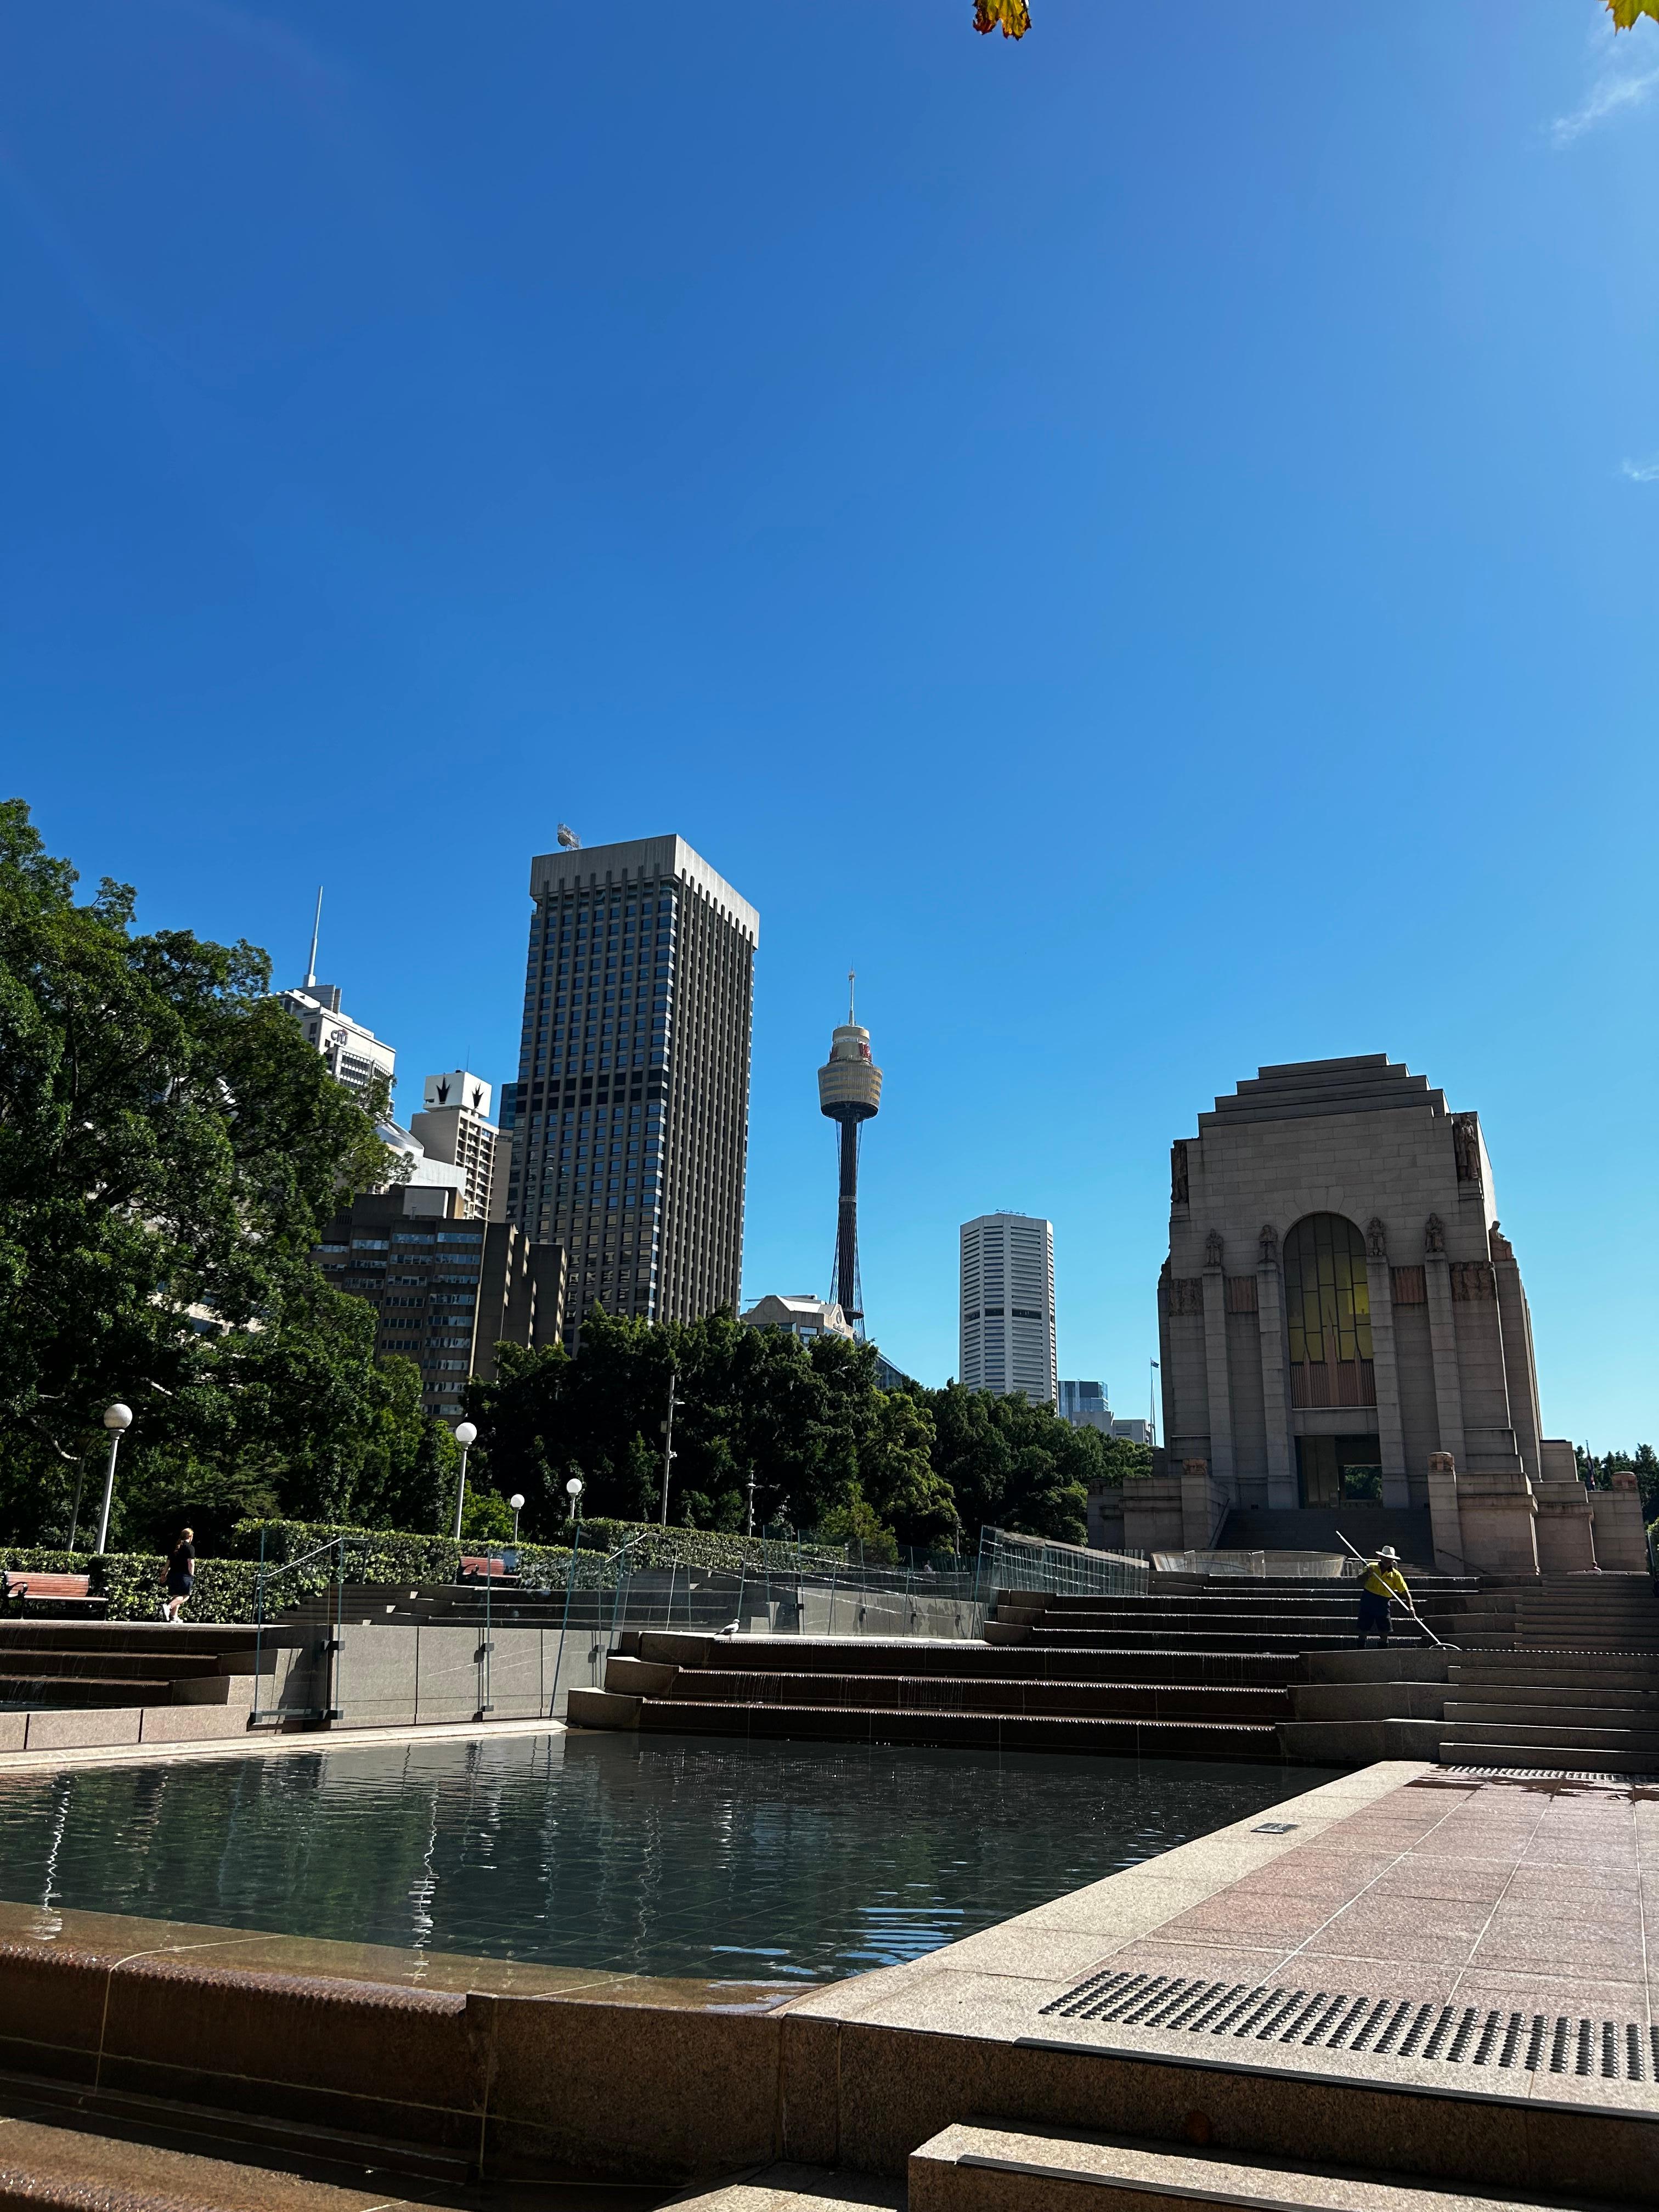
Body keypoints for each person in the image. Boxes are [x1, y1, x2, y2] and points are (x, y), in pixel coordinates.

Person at [1356, 1544, 1410, 1647]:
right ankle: (1361, 1651)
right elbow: (1359, 1580)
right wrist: (1367, 1574)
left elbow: (1405, 1591)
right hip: (1368, 1600)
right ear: (1381, 1557)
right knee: (1364, 1629)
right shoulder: (1371, 1567)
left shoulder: (1395, 1575)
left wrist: (1410, 1605)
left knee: (1385, 1631)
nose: (1388, 1561)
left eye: (1390, 1559)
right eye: (1386, 1558)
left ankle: (1383, 1652)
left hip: (1383, 1603)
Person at [161, 1526, 195, 1623]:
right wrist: (191, 1575)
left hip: (172, 1575)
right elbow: (191, 1563)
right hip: (184, 1576)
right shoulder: (190, 1548)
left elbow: (168, 1562)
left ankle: (173, 1617)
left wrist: (164, 1574)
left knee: (177, 1596)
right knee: (186, 1596)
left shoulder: (176, 1547)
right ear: (191, 1537)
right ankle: (168, 1607)